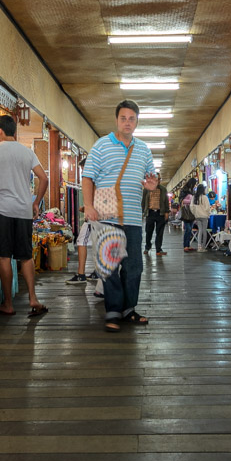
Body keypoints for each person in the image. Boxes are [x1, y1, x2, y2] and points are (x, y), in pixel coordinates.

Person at [82, 99, 158, 332]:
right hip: (107, 214)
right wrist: (88, 205)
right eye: (123, 118)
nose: (127, 122)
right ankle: (113, 311)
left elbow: (151, 179)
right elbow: (87, 177)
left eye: (131, 118)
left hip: (134, 216)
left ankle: (128, 309)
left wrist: (152, 185)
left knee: (134, 266)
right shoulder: (102, 145)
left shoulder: (143, 149)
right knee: (110, 265)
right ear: (117, 120)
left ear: (137, 122)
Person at [0, 114, 49, 317]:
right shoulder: (26, 152)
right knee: (26, 256)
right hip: (23, 210)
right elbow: (43, 178)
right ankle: (33, 298)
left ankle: (8, 304)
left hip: (2, 209)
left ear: (0, 131)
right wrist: (35, 202)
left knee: (5, 256)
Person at [142, 173, 169, 256]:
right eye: (156, 180)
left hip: (160, 213)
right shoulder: (146, 189)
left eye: (159, 180)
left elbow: (166, 201)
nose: (157, 181)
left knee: (159, 232)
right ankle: (147, 246)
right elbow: (143, 201)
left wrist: (167, 212)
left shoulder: (163, 189)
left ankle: (158, 249)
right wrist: (143, 211)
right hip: (150, 213)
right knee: (148, 231)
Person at [190, 183, 212, 252]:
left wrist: (195, 213)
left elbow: (191, 207)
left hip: (197, 216)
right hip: (204, 216)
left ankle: (199, 246)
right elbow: (207, 207)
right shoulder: (205, 197)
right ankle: (203, 247)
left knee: (200, 231)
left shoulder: (194, 197)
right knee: (204, 231)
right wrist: (208, 214)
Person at [179, 177, 197, 253]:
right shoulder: (184, 190)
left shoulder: (192, 191)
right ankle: (185, 245)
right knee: (188, 229)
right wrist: (191, 201)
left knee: (190, 229)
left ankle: (188, 245)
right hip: (186, 212)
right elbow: (181, 200)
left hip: (191, 211)